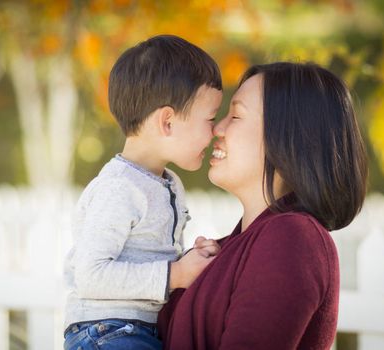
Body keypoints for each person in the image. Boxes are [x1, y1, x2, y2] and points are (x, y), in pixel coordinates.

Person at [157, 62, 368, 349]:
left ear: (289, 137)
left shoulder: (294, 238)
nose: (217, 128)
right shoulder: (235, 245)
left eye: (236, 115)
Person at [63, 35, 223, 350]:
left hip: (138, 331)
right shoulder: (120, 187)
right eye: (211, 119)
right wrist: (174, 274)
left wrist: (189, 260)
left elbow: (146, 256)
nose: (217, 130)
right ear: (167, 122)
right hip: (106, 332)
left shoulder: (167, 181)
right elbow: (90, 275)